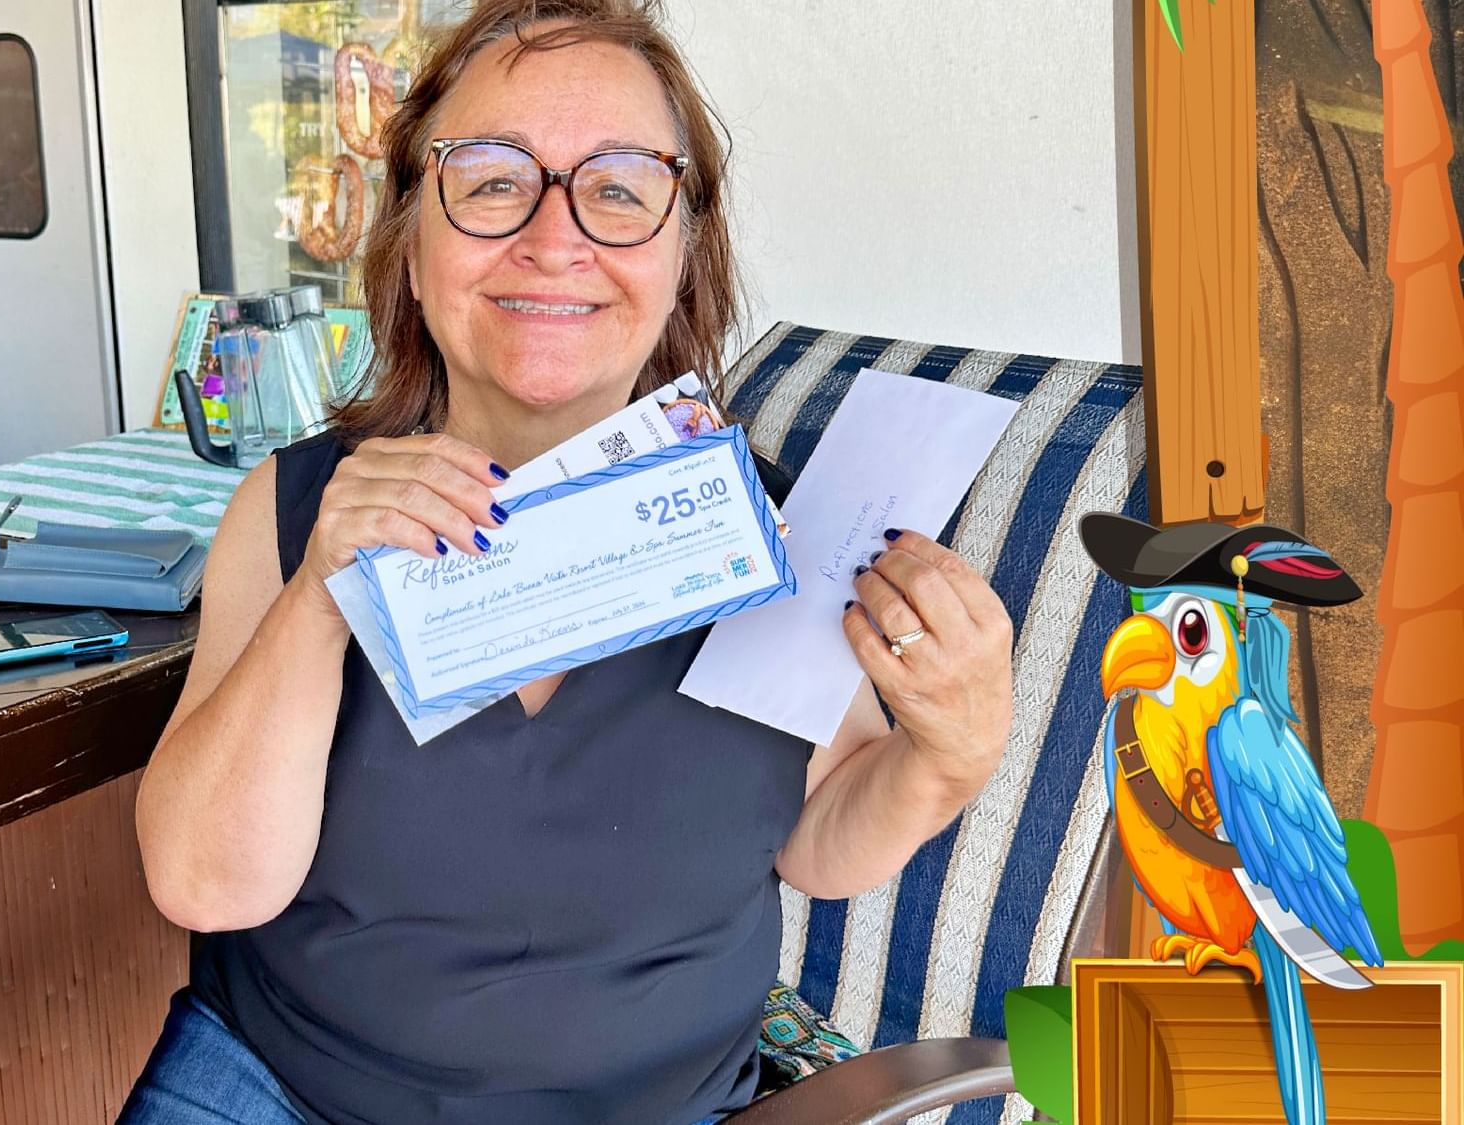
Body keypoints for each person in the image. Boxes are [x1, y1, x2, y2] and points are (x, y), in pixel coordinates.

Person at [121, 1, 1015, 1121]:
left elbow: (821, 838)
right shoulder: (295, 508)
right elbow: (205, 883)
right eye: (492, 181)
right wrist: (318, 602)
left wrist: (951, 753)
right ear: (410, 238)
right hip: (287, 1092)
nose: (554, 241)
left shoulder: (772, 537)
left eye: (619, 189)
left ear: (684, 251)